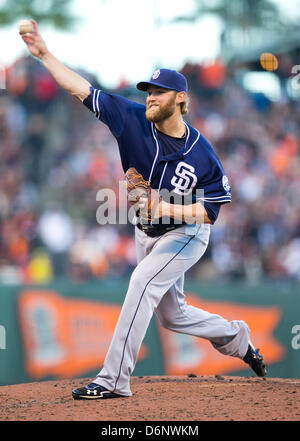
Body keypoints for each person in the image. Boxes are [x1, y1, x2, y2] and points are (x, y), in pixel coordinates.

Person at [21, 20, 267, 400]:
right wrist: (44, 55)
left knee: (142, 283)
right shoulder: (131, 119)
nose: (151, 97)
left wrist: (165, 204)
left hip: (185, 235)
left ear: (180, 99)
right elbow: (81, 89)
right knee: (173, 315)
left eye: (160, 92)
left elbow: (210, 212)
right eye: (148, 91)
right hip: (145, 229)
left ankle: (113, 379)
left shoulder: (202, 154)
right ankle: (237, 337)